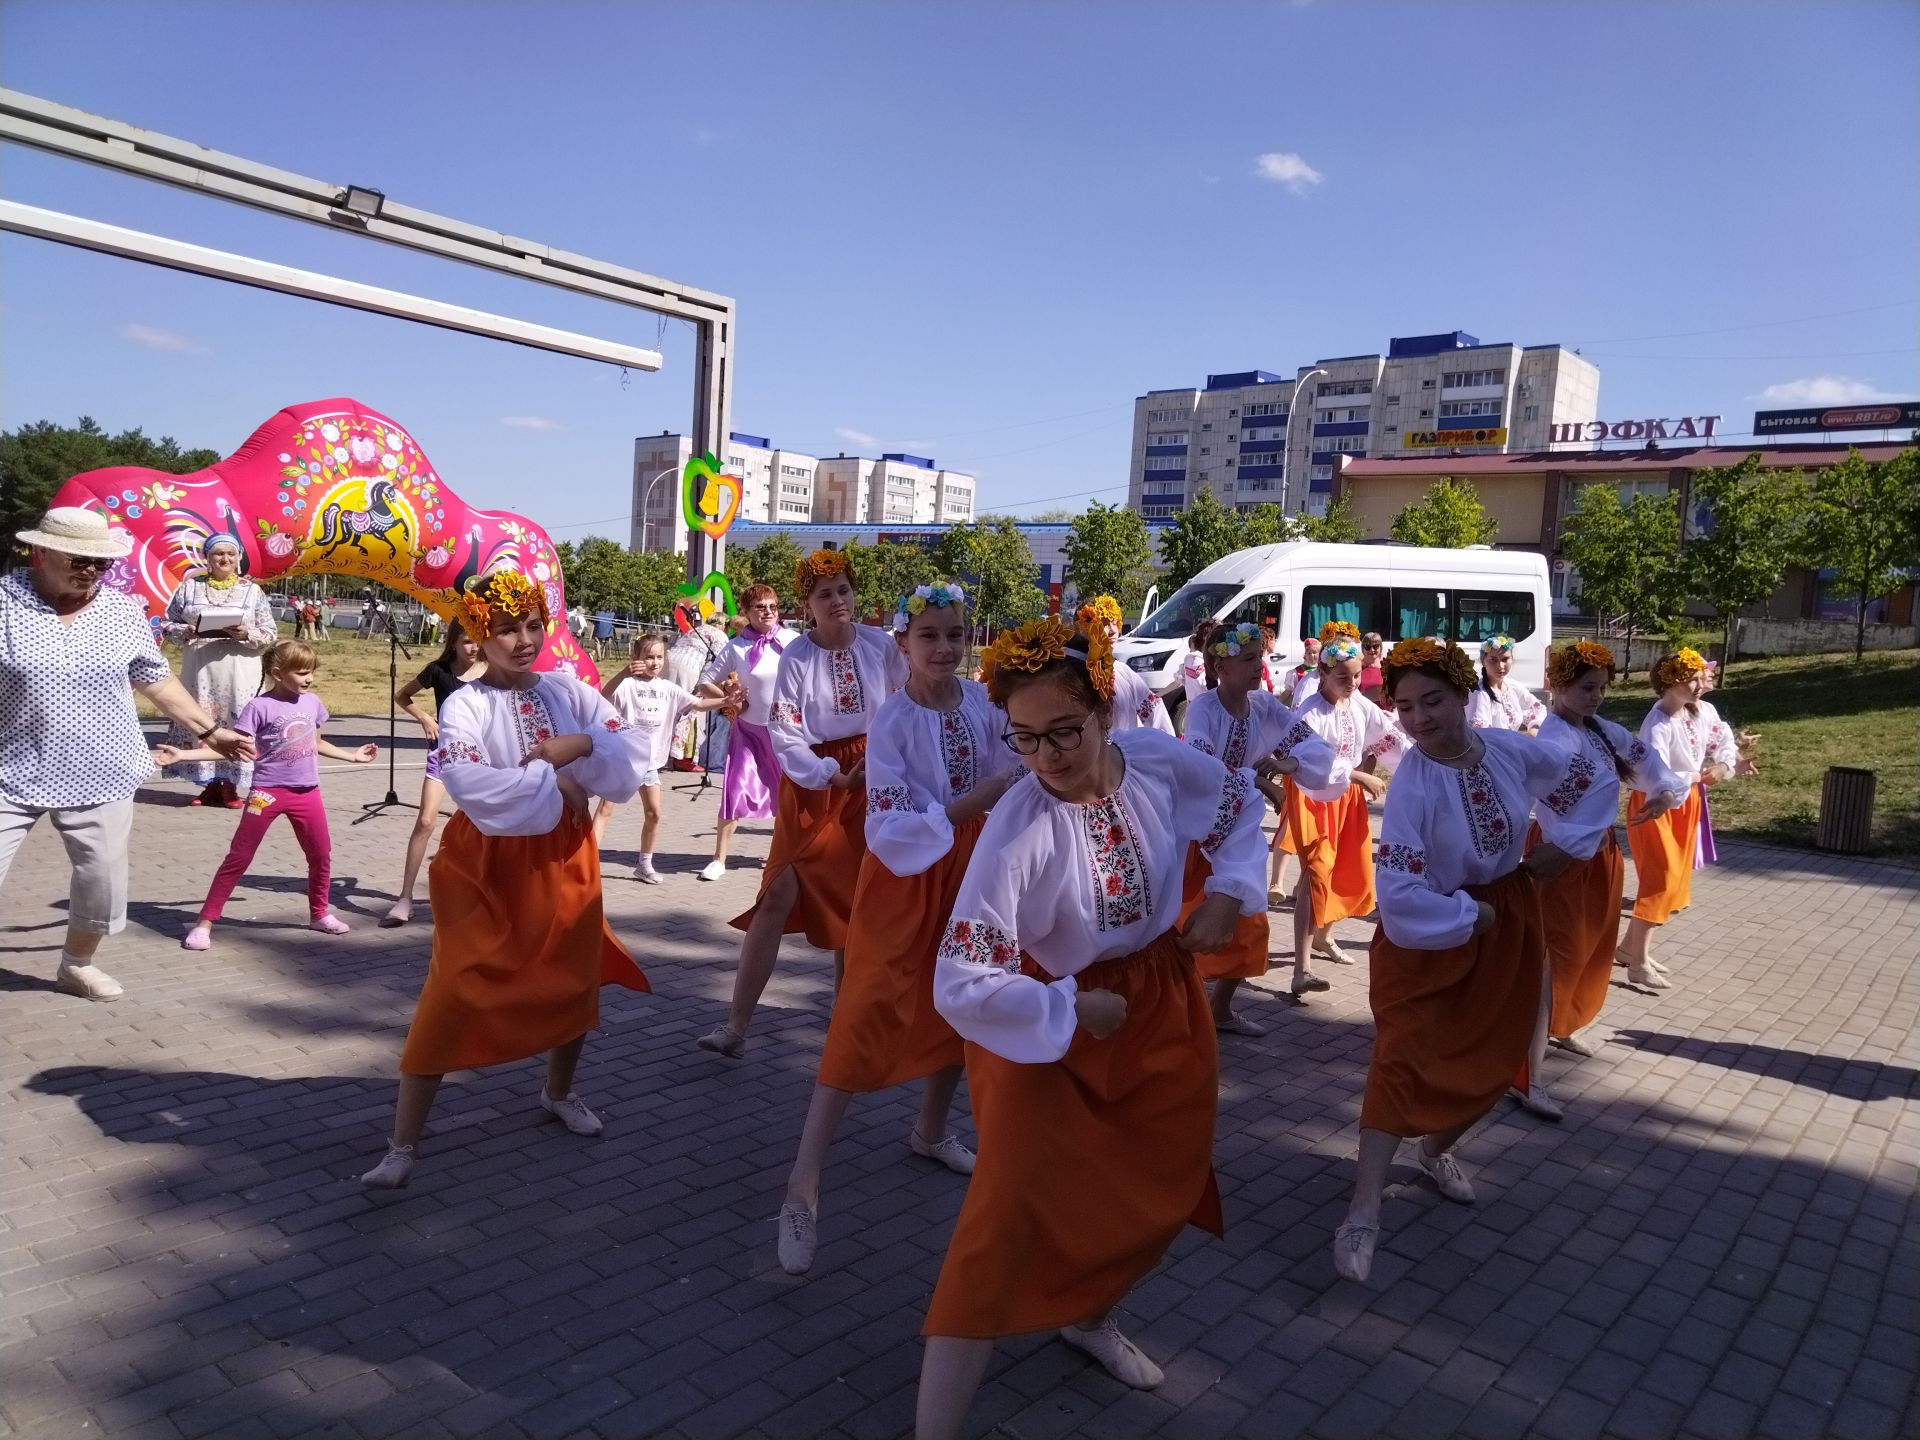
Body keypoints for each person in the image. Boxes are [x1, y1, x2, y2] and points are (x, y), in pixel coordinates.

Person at [914, 617, 1267, 1438]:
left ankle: (1091, 1313)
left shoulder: (1154, 761)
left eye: (1064, 732)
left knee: (1154, 1179)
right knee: (1001, 1224)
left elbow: (1240, 804)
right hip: (1049, 1025)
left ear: (1108, 713)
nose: (1045, 759)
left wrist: (1230, 887)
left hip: (1159, 1000)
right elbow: (960, 978)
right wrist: (1066, 1010)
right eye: (1026, 739)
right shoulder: (1019, 824)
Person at [362, 571, 652, 1189]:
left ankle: (559, 1091)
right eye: (505, 630)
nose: (523, 640)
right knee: (456, 988)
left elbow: (630, 746)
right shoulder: (465, 701)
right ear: (478, 634)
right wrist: (557, 778)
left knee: (573, 975)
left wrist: (571, 746)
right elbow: (468, 781)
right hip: (488, 862)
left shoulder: (567, 689)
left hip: (565, 857)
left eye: (532, 626)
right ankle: (403, 1142)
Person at [1331, 638, 1603, 1284]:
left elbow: (1589, 780)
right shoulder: (1412, 788)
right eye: (1404, 706)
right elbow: (1397, 896)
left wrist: (1570, 844)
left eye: (1433, 700)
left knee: (1496, 1053)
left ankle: (1435, 1150)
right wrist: (1464, 917)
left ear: (1462, 696)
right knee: (1401, 1058)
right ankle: (1363, 1210)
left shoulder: (1507, 750)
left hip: (1506, 916)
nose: (1419, 718)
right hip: (1429, 930)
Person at [774, 582, 1019, 1275]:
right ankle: (803, 1183)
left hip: (976, 869)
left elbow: (1015, 771)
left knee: (964, 1001)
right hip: (909, 878)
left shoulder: (980, 702)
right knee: (866, 1011)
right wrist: (975, 801)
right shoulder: (893, 722)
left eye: (955, 635)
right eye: (930, 635)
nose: (944, 647)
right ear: (903, 644)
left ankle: (932, 1129)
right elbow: (890, 824)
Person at [0, 507, 254, 1000]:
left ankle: (77, 963)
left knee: (102, 881)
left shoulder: (119, 611)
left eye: (100, 562)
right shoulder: (4, 603)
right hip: (12, 766)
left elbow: (154, 677)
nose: (91, 570)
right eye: (80, 559)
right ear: (42, 552)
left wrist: (210, 730)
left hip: (103, 768)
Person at [697, 550, 907, 1058]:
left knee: (855, 904)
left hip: (874, 776)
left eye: (843, 590)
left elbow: (905, 707)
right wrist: (832, 776)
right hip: (814, 782)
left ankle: (844, 1029)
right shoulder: (798, 655)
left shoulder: (881, 647)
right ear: (806, 604)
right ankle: (736, 1026)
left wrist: (889, 767)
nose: (836, 600)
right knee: (776, 895)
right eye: (824, 594)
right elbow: (785, 734)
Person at [1511, 641, 1685, 1117]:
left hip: (1601, 852)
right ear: (1559, 686)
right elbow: (1562, 806)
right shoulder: (1553, 740)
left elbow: (1653, 767)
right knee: (1552, 957)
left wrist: (1666, 793)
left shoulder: (1603, 731)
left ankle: (1562, 1026)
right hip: (1560, 854)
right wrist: (1567, 847)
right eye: (1586, 688)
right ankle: (1527, 1074)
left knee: (1591, 948)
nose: (1596, 697)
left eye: (1602, 688)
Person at [158, 640, 378, 949]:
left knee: (320, 855)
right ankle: (205, 923)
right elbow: (232, 747)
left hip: (308, 793)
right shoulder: (259, 707)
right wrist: (183, 756)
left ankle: (319, 914)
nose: (309, 678)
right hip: (267, 794)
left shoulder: (312, 702)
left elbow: (315, 742)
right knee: (239, 857)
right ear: (277, 672)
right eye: (301, 672)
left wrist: (352, 756)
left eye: (311, 672)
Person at [1178, 621, 1306, 1035]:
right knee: (1187, 922)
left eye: (1260, 659)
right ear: (1221, 666)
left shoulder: (1264, 706)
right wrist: (1262, 781)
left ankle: (1220, 1009)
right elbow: (1203, 767)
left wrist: (1294, 763)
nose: (1259, 667)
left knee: (1249, 923)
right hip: (1200, 833)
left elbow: (1305, 739)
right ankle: (1181, 1010)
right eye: (1248, 659)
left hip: (1242, 832)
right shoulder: (1204, 708)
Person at [1270, 623, 1402, 994]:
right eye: (1343, 676)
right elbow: (1314, 758)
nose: (1353, 683)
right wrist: (1361, 776)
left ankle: (1325, 937)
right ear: (1322, 674)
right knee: (1315, 874)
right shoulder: (1311, 712)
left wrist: (1424, 767)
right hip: (1313, 795)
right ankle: (1301, 968)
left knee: (1345, 869)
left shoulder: (1360, 704)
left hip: (1347, 798)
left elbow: (1390, 740)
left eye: (1357, 675)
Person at [1617, 648, 1737, 991]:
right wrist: (1697, 777)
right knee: (1661, 879)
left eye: (1702, 677)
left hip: (1687, 804)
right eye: (1692, 679)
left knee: (1673, 881)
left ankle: (1631, 949)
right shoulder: (1657, 724)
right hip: (1656, 805)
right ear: (1670, 681)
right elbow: (1652, 774)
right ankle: (1637, 964)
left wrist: (1726, 764)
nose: (1700, 685)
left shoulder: (1702, 711)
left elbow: (1722, 738)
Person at [594, 633, 741, 882]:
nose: (654, 662)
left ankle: (644, 864)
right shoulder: (627, 685)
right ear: (636, 658)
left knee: (654, 813)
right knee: (606, 809)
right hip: (622, 760)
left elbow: (697, 704)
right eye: (648, 657)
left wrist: (726, 700)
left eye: (659, 657)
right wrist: (622, 673)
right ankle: (587, 863)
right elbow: (603, 696)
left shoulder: (668, 689)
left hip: (650, 764)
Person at [380, 622, 488, 927]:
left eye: (478, 641)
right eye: (466, 642)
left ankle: (479, 893)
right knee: (426, 820)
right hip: (444, 754)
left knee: (480, 825)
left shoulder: (492, 670)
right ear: (453, 643)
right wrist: (425, 717)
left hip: (482, 759)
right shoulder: (438, 670)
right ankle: (404, 898)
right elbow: (403, 696)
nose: (473, 648)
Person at [161, 536, 276, 808]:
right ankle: (209, 786)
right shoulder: (189, 588)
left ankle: (230, 787)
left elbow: (270, 632)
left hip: (239, 667)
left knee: (235, 722)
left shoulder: (252, 591)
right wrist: (184, 630)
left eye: (230, 554)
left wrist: (246, 632)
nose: (225, 559)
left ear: (238, 558)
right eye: (218, 554)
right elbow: (166, 624)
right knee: (203, 720)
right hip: (201, 666)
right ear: (207, 559)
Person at [694, 584, 795, 881]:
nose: (768, 612)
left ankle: (783, 855)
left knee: (786, 798)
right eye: (761, 607)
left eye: (773, 606)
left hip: (786, 731)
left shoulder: (793, 640)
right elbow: (706, 682)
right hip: (748, 731)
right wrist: (729, 701)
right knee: (733, 792)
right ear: (747, 612)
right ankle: (718, 859)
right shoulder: (736, 645)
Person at [1075, 595, 1173, 734]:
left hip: (1123, 754)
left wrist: (1165, 746)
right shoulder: (1073, 674)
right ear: (1084, 628)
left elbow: (1155, 712)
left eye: (1115, 623)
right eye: (1104, 624)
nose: (1113, 631)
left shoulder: (1123, 672)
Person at [1466, 634, 1546, 734]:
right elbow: (1481, 735)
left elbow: (1538, 709)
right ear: (1483, 661)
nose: (1500, 666)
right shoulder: (1479, 693)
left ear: (1512, 659)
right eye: (1493, 660)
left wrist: (1534, 728)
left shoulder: (1513, 687)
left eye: (1505, 659)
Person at [1178, 618, 1218, 713]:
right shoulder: (1195, 660)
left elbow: (1180, 679)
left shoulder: (1190, 660)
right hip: (1207, 710)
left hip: (1195, 709)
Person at [1283, 637, 1322, 705]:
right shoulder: (1296, 673)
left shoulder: (1323, 671)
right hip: (1301, 708)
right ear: (1305, 655)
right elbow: (1287, 692)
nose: (1312, 655)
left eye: (1314, 652)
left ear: (1319, 654)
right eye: (1309, 653)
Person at [1357, 632, 1386, 705]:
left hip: (1386, 712)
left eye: (1375, 646)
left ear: (1380, 648)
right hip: (1364, 709)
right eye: (1367, 647)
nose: (1372, 650)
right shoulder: (1357, 667)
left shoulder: (1387, 666)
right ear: (1363, 649)